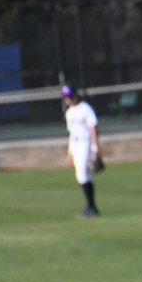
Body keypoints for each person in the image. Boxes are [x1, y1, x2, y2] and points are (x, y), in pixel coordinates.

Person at [62, 84, 102, 218]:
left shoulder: (85, 108)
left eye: (70, 96)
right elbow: (72, 134)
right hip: (76, 144)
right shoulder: (69, 112)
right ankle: (91, 207)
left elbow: (93, 128)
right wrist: (70, 152)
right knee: (84, 175)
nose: (68, 99)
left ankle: (91, 207)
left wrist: (95, 148)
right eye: (66, 97)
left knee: (82, 174)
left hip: (86, 142)